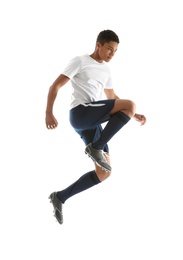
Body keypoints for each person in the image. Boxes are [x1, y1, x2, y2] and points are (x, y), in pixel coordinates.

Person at [45, 29, 146, 224]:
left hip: (91, 121)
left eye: (115, 51)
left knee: (104, 173)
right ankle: (96, 147)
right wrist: (49, 112)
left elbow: (112, 98)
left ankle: (60, 197)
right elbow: (55, 86)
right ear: (98, 45)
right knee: (130, 104)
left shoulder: (106, 70)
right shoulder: (80, 61)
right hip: (81, 113)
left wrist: (133, 114)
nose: (112, 54)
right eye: (109, 48)